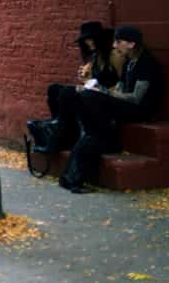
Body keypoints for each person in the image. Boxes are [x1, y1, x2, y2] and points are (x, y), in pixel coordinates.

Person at [59, 26, 162, 193]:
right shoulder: (129, 62)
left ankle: (72, 178)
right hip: (122, 107)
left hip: (140, 111)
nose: (114, 45)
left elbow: (136, 98)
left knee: (92, 108)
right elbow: (120, 89)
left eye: (118, 41)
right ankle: (70, 177)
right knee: (74, 95)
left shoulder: (146, 63)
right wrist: (100, 90)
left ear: (131, 44)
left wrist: (106, 93)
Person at [38, 21, 123, 152]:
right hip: (94, 94)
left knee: (68, 93)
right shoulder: (95, 57)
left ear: (99, 38)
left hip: (110, 97)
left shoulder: (114, 56)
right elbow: (95, 81)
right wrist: (85, 80)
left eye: (91, 39)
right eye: (85, 40)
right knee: (54, 89)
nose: (88, 43)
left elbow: (123, 82)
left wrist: (100, 89)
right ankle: (59, 126)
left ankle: (60, 136)